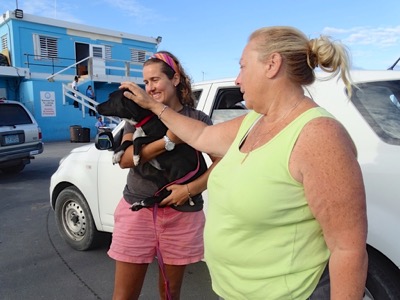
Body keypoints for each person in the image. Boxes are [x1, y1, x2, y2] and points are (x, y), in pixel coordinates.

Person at [120, 26, 368, 299]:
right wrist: (154, 106)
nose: (238, 80)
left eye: (242, 67)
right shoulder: (254, 121)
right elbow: (201, 135)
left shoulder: (319, 136)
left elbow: (348, 250)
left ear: (272, 65)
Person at [108, 51, 217, 300]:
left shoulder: (197, 119)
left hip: (183, 215)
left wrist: (189, 190)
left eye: (155, 80)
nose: (150, 87)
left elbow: (221, 163)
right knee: (124, 295)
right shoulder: (137, 117)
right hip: (137, 211)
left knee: (170, 293)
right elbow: (125, 160)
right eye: (146, 82)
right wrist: (168, 141)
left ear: (175, 79)